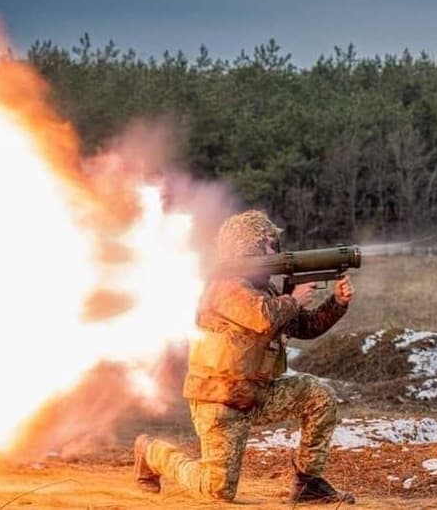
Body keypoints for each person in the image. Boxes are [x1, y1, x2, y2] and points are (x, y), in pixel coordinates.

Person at [133, 210, 356, 504]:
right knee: (217, 490)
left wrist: (337, 302)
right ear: (248, 246)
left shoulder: (265, 290)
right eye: (268, 244)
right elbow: (262, 317)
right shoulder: (224, 286)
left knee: (319, 395)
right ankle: (151, 452)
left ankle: (309, 484)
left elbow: (304, 327)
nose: (275, 251)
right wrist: (293, 299)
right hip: (221, 400)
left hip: (257, 393)